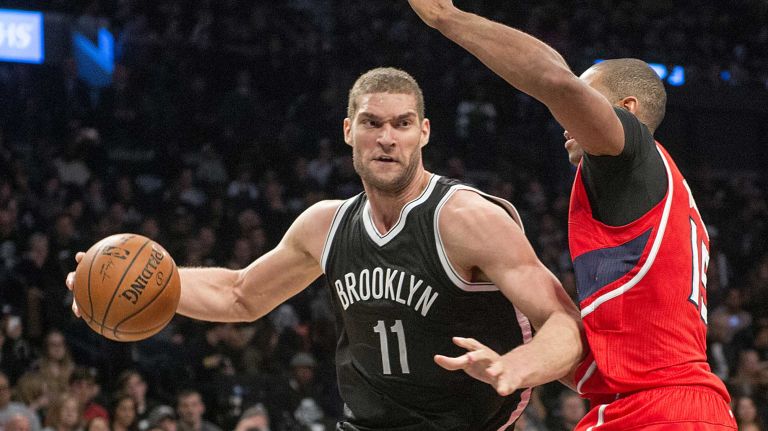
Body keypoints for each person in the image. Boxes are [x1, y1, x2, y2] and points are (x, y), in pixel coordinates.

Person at [67, 67, 583, 430]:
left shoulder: (467, 219)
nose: (387, 138)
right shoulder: (325, 224)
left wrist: (519, 365)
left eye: (403, 124)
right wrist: (139, 282)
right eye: (372, 123)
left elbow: (563, 322)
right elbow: (241, 294)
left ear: (423, 133)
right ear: (347, 131)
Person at [406, 1, 737, 429]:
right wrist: (518, 365)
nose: (562, 120)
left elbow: (554, 80)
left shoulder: (630, 152)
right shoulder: (650, 194)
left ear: (627, 109)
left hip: (661, 411)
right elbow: (597, 355)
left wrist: (445, 17)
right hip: (665, 407)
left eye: (587, 97)